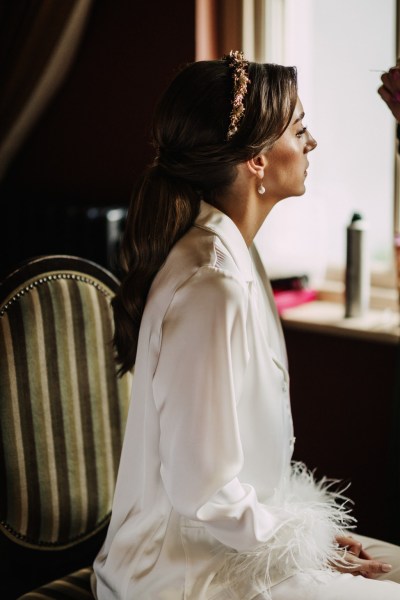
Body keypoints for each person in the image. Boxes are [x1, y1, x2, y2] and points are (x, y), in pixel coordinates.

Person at [92, 52, 400, 599]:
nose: (313, 143)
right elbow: (204, 492)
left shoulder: (234, 253)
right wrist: (302, 541)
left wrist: (313, 533)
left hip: (228, 544)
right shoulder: (212, 283)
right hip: (181, 575)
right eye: (300, 129)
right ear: (257, 160)